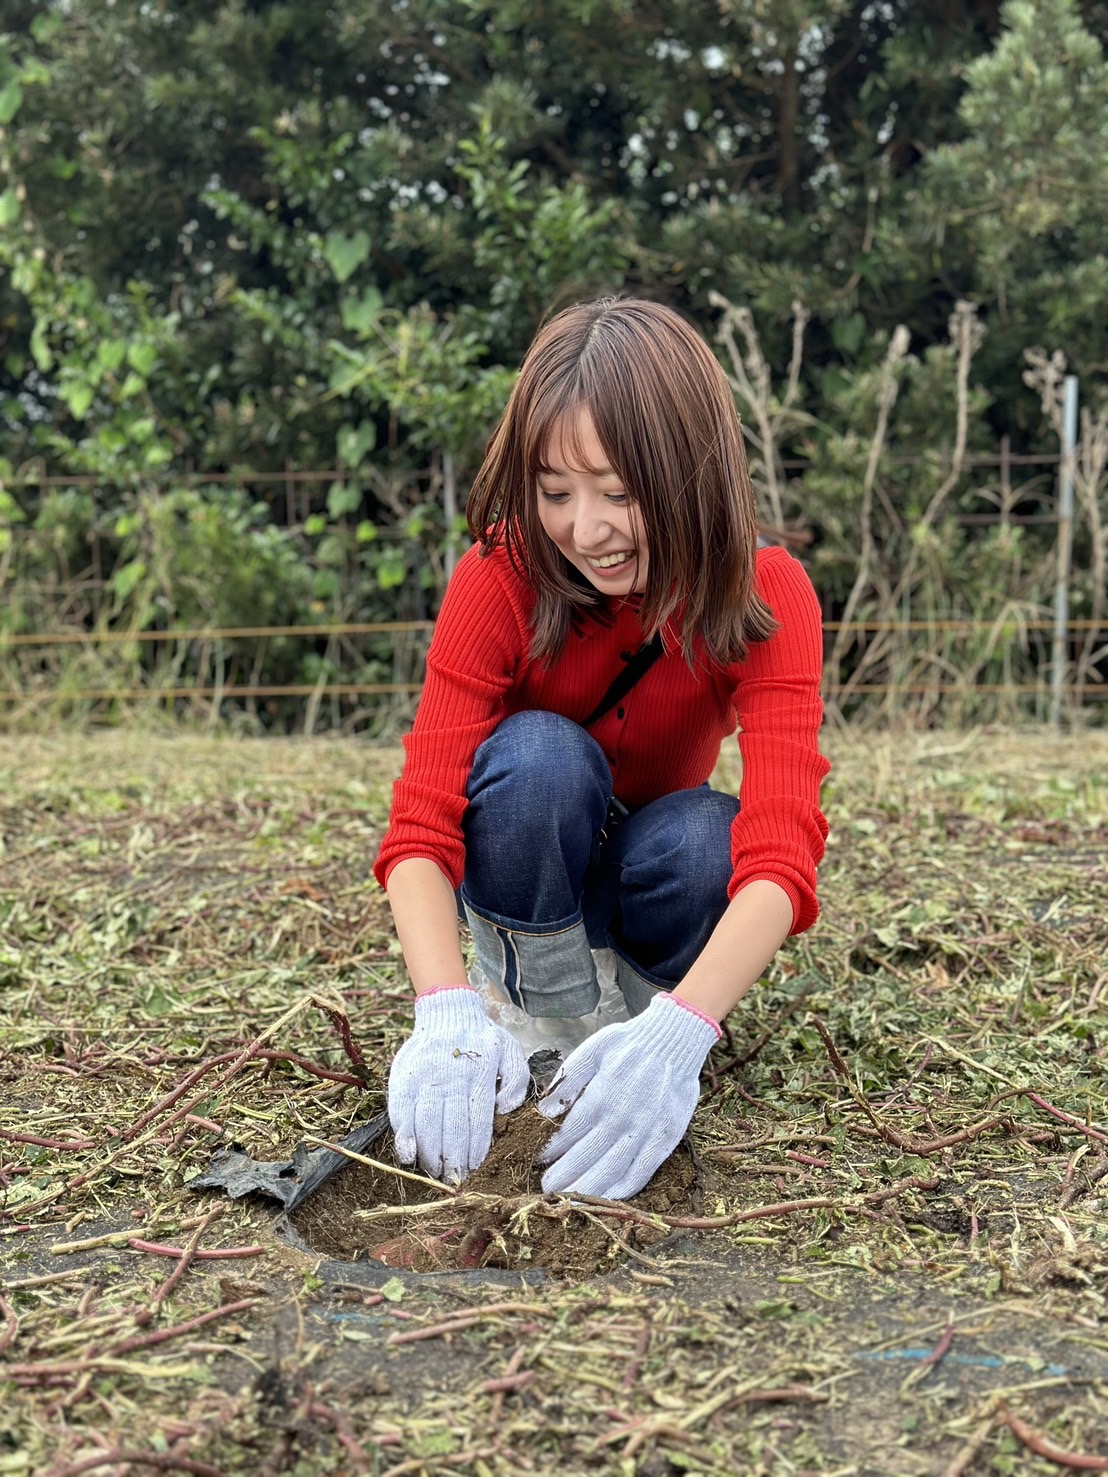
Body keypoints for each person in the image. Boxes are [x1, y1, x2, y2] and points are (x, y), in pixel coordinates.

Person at [375, 296, 830, 1200]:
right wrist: (443, 1010)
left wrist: (682, 1034)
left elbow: (783, 854)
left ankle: (630, 1024)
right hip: (528, 860)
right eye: (556, 493)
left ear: (692, 474)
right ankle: (534, 1014)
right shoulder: (499, 577)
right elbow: (420, 828)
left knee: (709, 836)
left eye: (621, 492)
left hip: (647, 887)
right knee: (540, 756)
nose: (587, 530)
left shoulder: (766, 594)